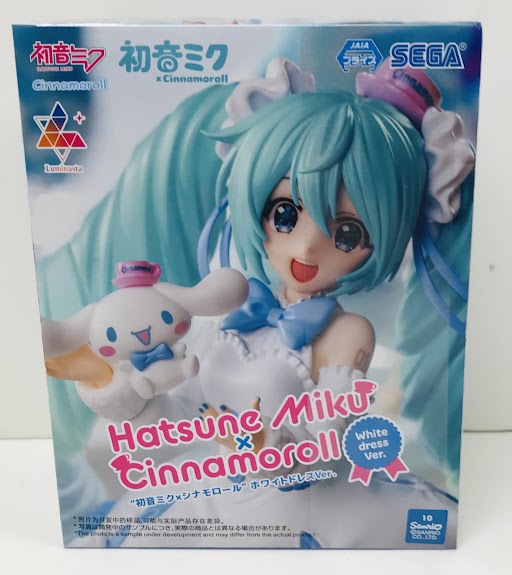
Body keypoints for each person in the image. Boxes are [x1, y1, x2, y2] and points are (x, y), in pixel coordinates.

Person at [41, 57, 474, 547]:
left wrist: (267, 443)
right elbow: (183, 415)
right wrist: (135, 400)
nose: (307, 247)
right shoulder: (235, 303)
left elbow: (327, 441)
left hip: (294, 501)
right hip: (207, 485)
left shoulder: (345, 333)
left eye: (347, 233)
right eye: (285, 214)